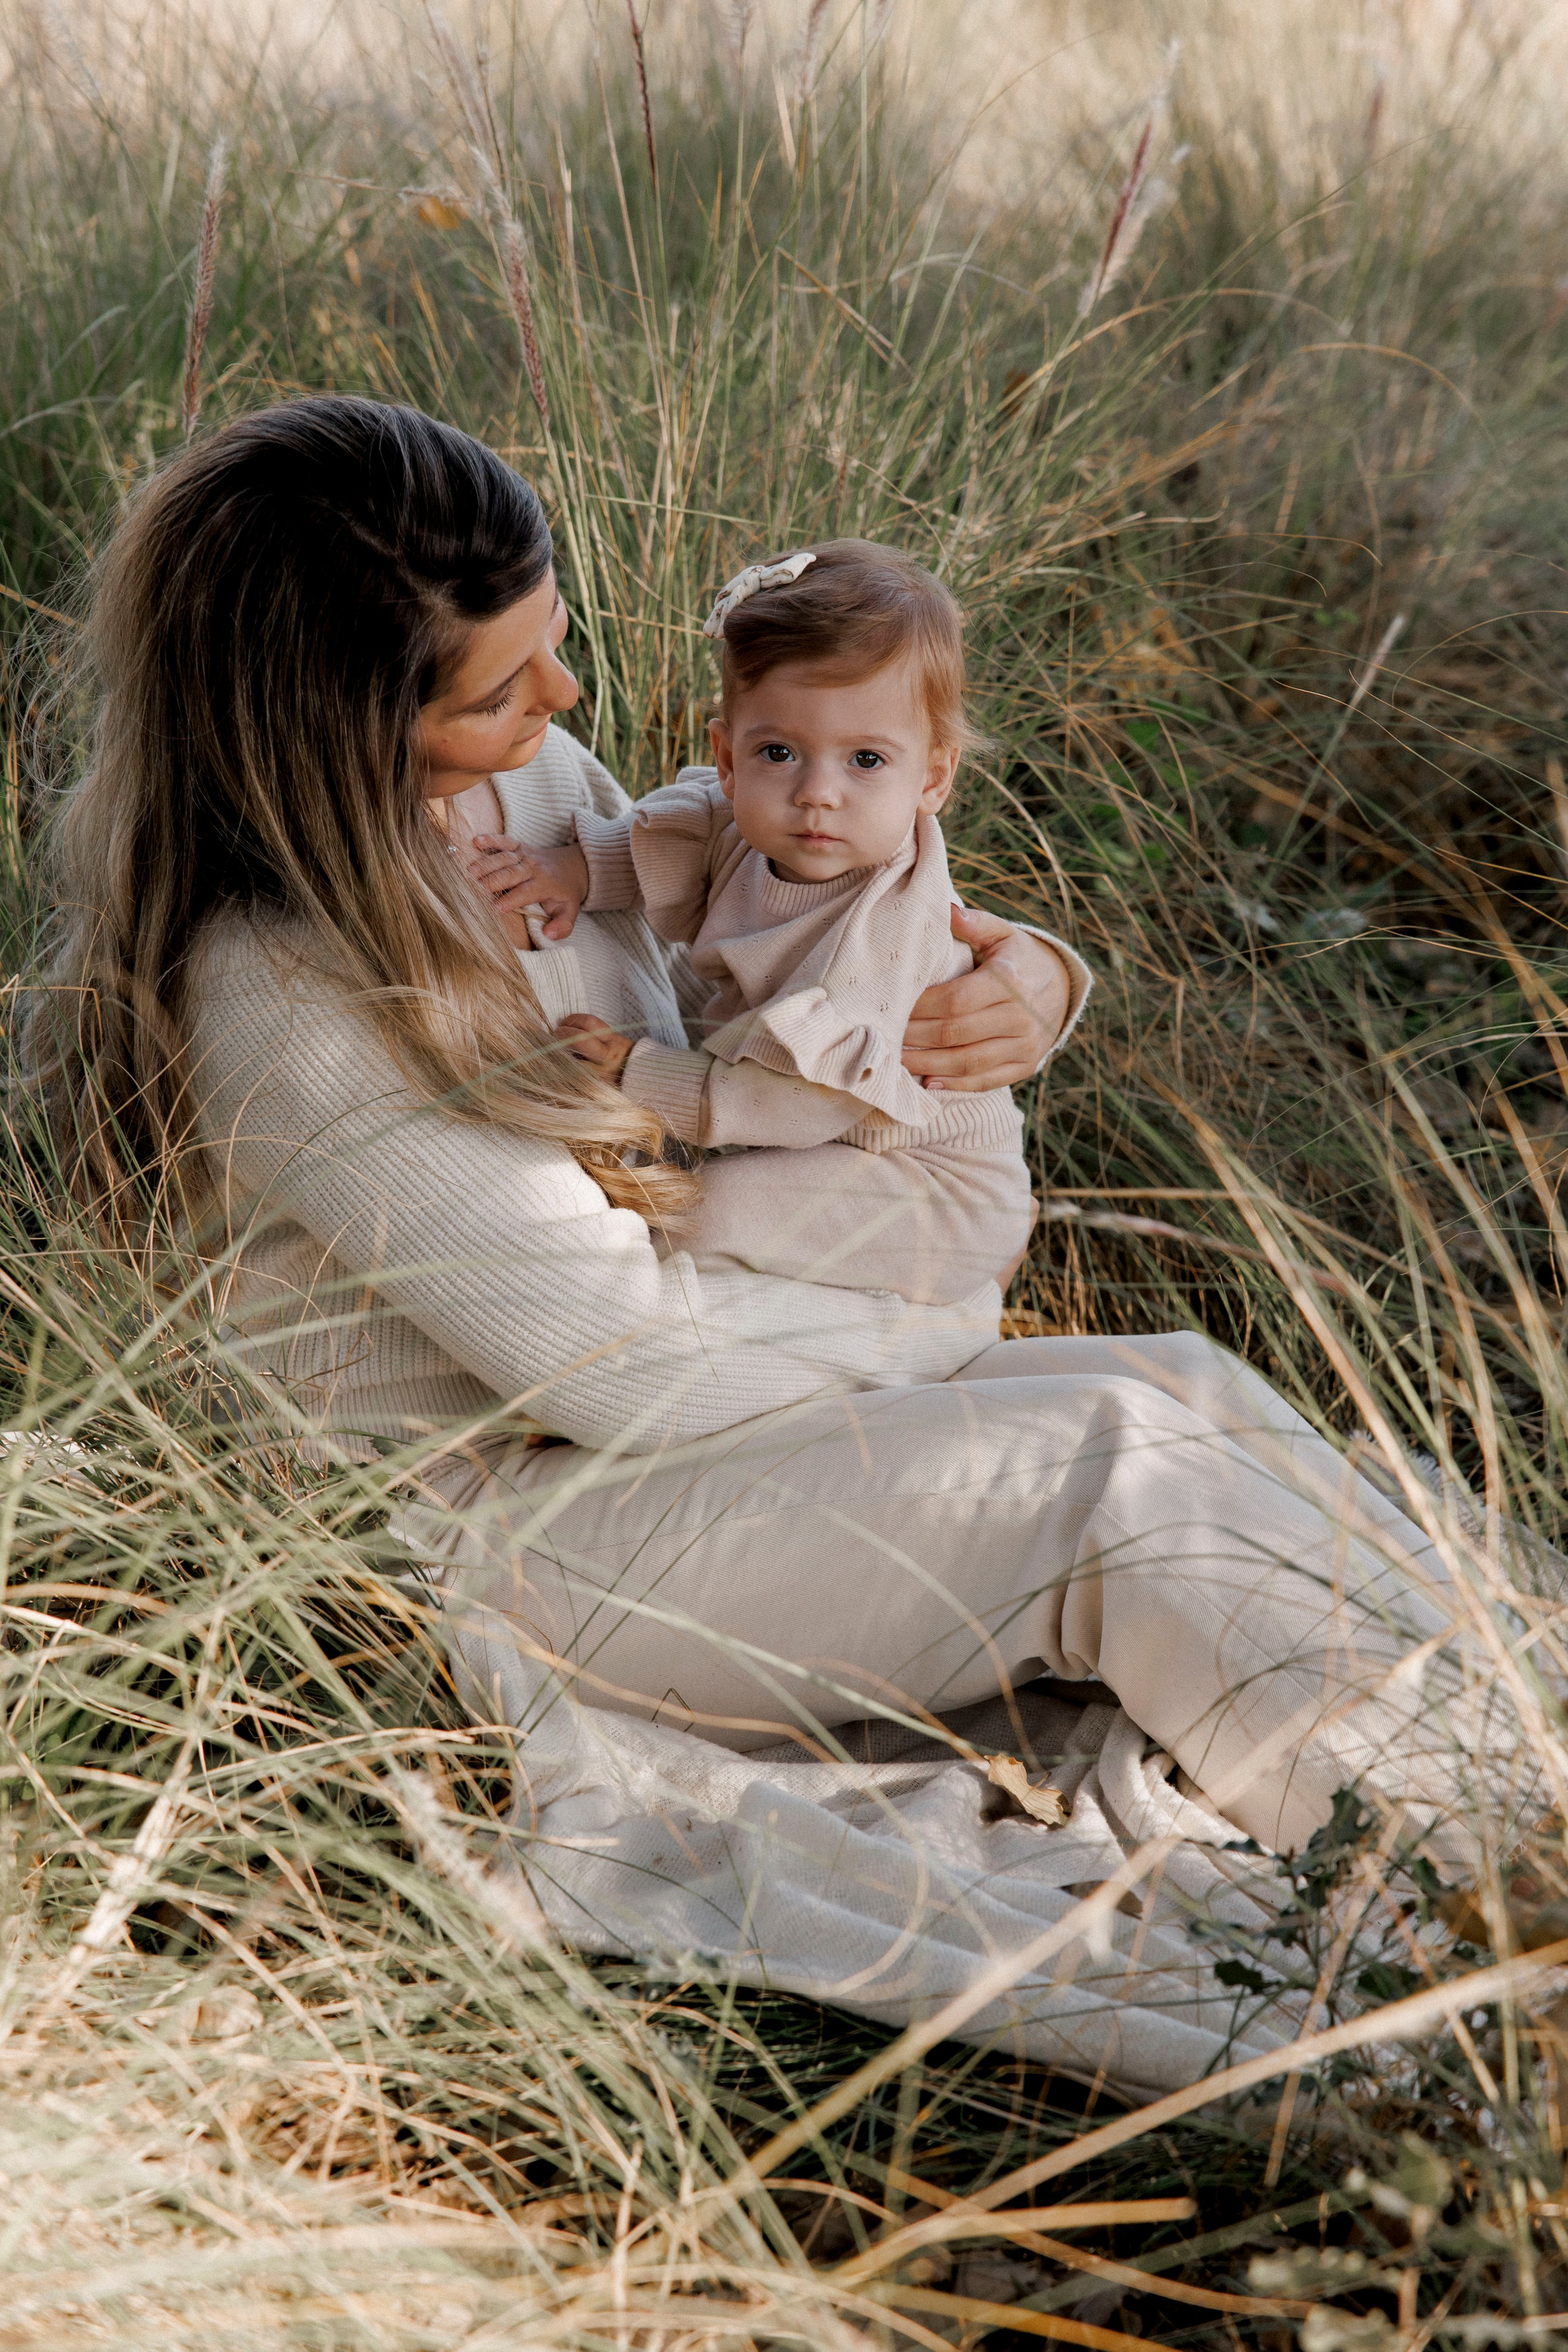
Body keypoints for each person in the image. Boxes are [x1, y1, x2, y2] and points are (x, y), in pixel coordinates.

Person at [26, 395, 1516, 1921]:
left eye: (550, 633)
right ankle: (1491, 1907)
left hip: (665, 1404)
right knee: (1109, 1472)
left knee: (1180, 1386)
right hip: (489, 1541)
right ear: (339, 726)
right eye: (500, 684)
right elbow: (624, 1366)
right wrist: (929, 1328)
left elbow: (777, 972)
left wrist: (1026, 975)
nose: (566, 685)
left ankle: (1505, 1780)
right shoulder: (285, 992)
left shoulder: (512, 784)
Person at [464, 538, 1059, 1305]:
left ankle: (658, 1355)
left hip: (934, 1188)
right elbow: (667, 847)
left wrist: (634, 1072)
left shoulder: (883, 937)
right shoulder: (742, 825)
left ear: (934, 778)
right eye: (779, 751)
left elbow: (802, 1102)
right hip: (828, 1157)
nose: (817, 792)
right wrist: (571, 873)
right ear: (728, 757)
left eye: (866, 761)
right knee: (723, 1203)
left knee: (710, 1213)